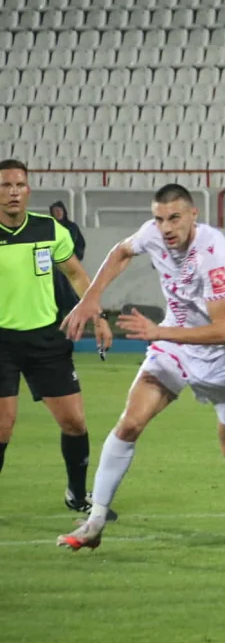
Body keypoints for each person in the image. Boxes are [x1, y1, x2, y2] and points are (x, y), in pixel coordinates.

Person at [57, 184, 225, 550]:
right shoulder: (152, 234)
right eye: (159, 219)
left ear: (194, 215)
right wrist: (91, 298)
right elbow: (121, 252)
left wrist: (158, 331)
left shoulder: (215, 256)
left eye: (174, 218)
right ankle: (95, 521)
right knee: (130, 423)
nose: (165, 228)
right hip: (174, 346)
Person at [0, 159, 113, 517]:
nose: (13, 192)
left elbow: (77, 275)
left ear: (28, 190)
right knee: (3, 426)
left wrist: (98, 316)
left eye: (19, 185)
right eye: (5, 185)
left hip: (46, 339)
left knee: (75, 423)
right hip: (1, 343)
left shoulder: (49, 229)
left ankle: (77, 496)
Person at [48, 201, 86, 323]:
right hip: (54, 267)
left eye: (60, 210)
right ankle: (57, 320)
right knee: (55, 293)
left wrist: (75, 257)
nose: (58, 213)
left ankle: (78, 318)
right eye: (55, 211)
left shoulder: (72, 227)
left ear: (64, 211)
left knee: (72, 292)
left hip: (70, 265)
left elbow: (80, 244)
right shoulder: (49, 227)